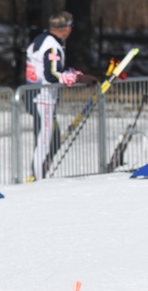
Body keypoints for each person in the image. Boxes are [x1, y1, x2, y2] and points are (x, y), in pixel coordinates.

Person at [24, 11, 97, 180]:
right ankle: (37, 179)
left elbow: (53, 69)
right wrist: (76, 78)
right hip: (43, 98)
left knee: (51, 136)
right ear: (65, 28)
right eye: (70, 27)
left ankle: (39, 173)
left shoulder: (42, 39)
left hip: (35, 96)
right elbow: (51, 75)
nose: (71, 30)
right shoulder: (52, 46)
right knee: (44, 140)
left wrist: (78, 75)